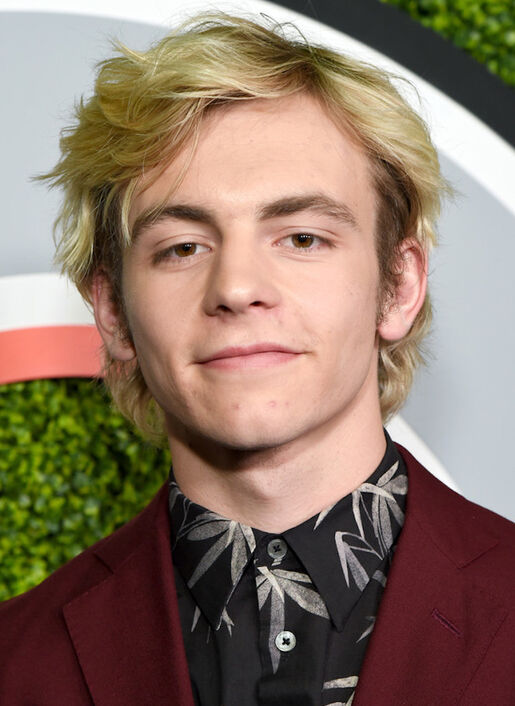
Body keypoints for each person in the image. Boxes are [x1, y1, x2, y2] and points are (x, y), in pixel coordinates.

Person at [1, 12, 513, 705]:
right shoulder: (15, 665)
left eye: (301, 238)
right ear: (113, 311)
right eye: (183, 247)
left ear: (398, 288)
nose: (237, 287)